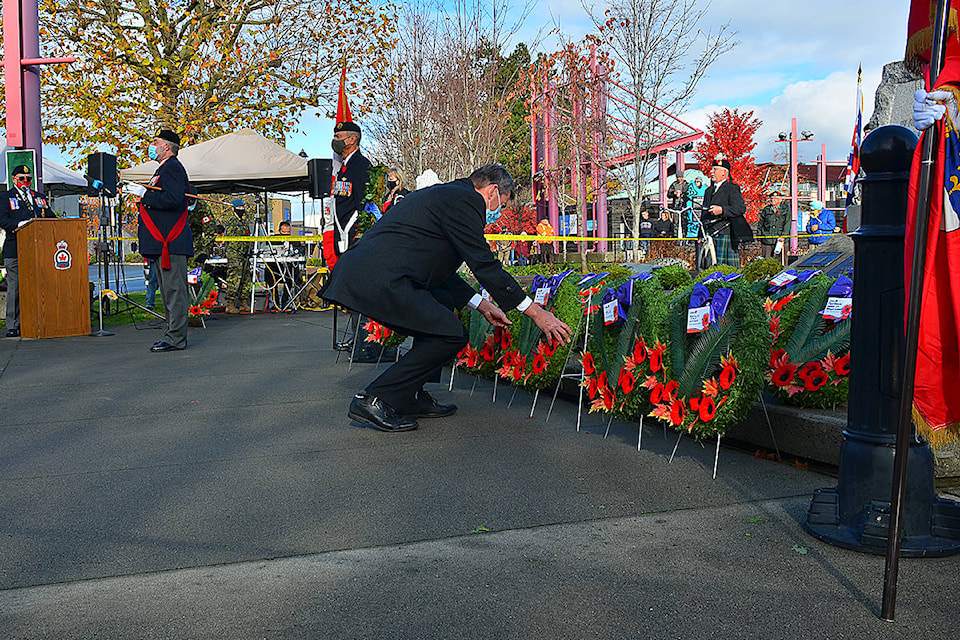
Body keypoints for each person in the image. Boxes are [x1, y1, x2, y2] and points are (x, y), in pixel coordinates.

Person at [322, 164, 572, 433]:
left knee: (441, 301)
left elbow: (439, 270)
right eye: (505, 202)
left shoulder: (451, 195)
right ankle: (375, 398)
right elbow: (484, 264)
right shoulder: (465, 202)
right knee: (450, 334)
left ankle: (410, 396)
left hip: (381, 273)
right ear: (493, 191)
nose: (500, 210)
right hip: (379, 278)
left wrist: (482, 304)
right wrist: (536, 312)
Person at [126, 129, 193, 352]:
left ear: (166, 146)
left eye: (155, 142)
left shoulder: (172, 168)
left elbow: (174, 199)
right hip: (163, 241)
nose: (151, 146)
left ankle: (176, 337)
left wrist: (145, 194)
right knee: (167, 291)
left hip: (170, 241)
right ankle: (171, 332)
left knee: (174, 291)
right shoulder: (163, 169)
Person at [0, 164, 57, 337]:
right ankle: (13, 324)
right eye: (22, 178)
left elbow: (50, 216)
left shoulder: (38, 197)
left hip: (39, 249)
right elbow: (2, 219)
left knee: (40, 285)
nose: (26, 181)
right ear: (14, 179)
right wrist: (19, 225)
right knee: (15, 287)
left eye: (29, 179)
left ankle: (40, 320)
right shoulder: (5, 197)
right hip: (15, 248)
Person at [329, 120, 371, 268]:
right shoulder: (344, 167)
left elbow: (363, 203)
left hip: (353, 232)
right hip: (342, 230)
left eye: (338, 137)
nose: (335, 141)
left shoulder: (361, 165)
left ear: (352, 139)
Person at [701, 155, 753, 267]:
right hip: (709, 235)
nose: (712, 172)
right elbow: (704, 214)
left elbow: (740, 208)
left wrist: (722, 210)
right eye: (712, 169)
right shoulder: (708, 191)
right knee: (708, 269)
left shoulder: (732, 188)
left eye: (715, 169)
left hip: (725, 234)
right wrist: (701, 234)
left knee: (728, 271)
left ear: (724, 173)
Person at [757, 191, 792, 259]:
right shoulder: (766, 210)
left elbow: (787, 223)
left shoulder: (785, 209)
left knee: (782, 260)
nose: (773, 200)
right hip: (767, 239)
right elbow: (760, 224)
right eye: (772, 198)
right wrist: (759, 237)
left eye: (775, 198)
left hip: (780, 239)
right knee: (767, 260)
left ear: (780, 199)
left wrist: (783, 236)